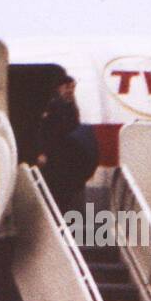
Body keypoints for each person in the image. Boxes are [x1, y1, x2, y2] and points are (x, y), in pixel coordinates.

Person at [36, 76, 95, 218]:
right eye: (67, 87)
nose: (70, 90)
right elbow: (44, 131)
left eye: (72, 87)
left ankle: (63, 215)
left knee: (66, 189)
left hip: (65, 156)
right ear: (59, 88)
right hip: (53, 156)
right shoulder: (53, 106)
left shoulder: (70, 106)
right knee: (55, 188)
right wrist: (41, 152)